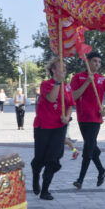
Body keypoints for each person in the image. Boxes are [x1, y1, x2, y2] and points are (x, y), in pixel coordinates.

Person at [31, 57, 76, 200]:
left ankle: (45, 189)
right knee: (40, 158)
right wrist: (58, 82)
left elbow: (70, 105)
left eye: (65, 68)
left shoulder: (68, 87)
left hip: (59, 127)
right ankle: (36, 174)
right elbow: (51, 99)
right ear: (53, 70)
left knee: (54, 158)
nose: (63, 70)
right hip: (43, 126)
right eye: (60, 67)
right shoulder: (46, 84)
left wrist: (67, 117)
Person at [70, 51, 105, 190]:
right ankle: (101, 170)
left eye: (99, 62)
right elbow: (74, 96)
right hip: (82, 118)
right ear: (88, 62)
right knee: (91, 146)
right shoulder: (78, 77)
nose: (97, 64)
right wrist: (87, 82)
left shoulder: (103, 79)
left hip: (95, 118)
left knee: (87, 150)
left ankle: (80, 179)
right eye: (94, 61)